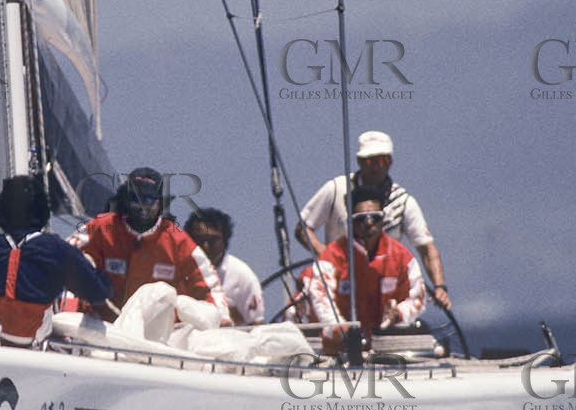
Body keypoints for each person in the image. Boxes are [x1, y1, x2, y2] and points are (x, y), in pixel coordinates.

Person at [296, 130, 452, 313]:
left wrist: (440, 287)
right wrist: (327, 257)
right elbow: (303, 228)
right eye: (369, 161)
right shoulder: (336, 189)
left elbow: (426, 248)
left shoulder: (403, 202)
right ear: (359, 162)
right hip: (338, 286)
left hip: (383, 291)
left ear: (390, 162)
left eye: (382, 161)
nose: (375, 167)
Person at [70, 167, 230, 325]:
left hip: (157, 337)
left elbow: (210, 286)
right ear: (125, 200)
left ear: (160, 203)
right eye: (136, 199)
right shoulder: (100, 229)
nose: (142, 207)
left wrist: (222, 320)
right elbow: (66, 260)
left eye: (149, 200)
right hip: (101, 329)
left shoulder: (178, 242)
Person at [0, 175, 114, 346]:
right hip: (32, 346)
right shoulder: (57, 250)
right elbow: (97, 292)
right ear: (42, 211)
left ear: (1, 211)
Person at [304, 189, 426, 339]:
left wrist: (399, 313)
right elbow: (320, 297)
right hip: (340, 349)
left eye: (375, 218)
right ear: (351, 221)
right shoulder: (332, 257)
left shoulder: (401, 257)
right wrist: (342, 330)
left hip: (384, 349)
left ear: (383, 220)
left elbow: (417, 297)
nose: (368, 223)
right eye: (361, 219)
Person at [184, 207, 264, 325]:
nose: (205, 246)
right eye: (200, 240)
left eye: (213, 240)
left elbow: (257, 325)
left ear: (225, 241)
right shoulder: (179, 270)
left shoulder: (242, 275)